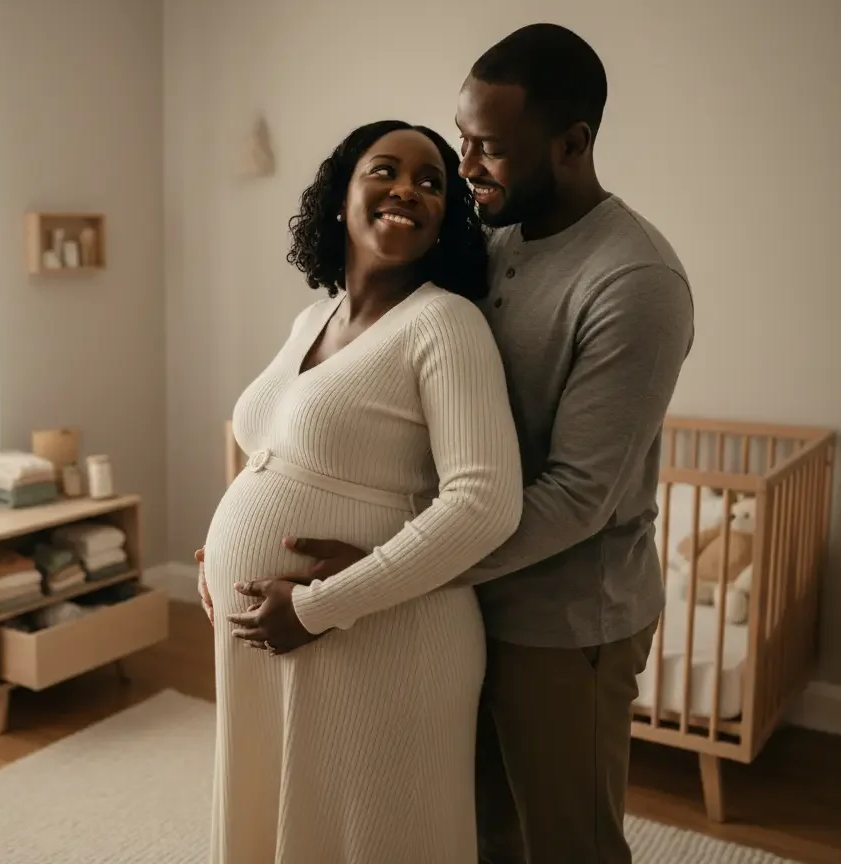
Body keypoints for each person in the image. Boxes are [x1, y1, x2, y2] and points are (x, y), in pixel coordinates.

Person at [206, 23, 696, 864]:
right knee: (472, 835)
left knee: (565, 844)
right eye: (461, 140)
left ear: (572, 143)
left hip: (559, 619)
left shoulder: (634, 281)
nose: (464, 168)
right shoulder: (487, 241)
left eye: (489, 148)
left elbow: (581, 495)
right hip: (438, 605)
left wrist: (373, 573)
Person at [200, 118, 523, 864]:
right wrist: (218, 552)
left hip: (381, 633)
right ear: (341, 194)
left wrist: (319, 606)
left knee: (370, 834)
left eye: (431, 182)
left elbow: (485, 503)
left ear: (446, 217)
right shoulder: (312, 316)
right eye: (385, 170)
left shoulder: (446, 323)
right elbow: (275, 453)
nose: (408, 189)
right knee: (273, 814)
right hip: (276, 630)